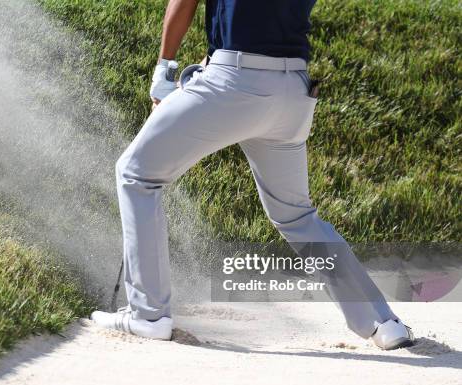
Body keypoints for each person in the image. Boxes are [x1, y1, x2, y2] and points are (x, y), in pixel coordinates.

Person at [91, 0, 414, 350]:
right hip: (292, 90)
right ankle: (382, 322)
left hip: (233, 82)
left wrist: (165, 71)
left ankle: (148, 315)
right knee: (297, 216)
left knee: (137, 174)